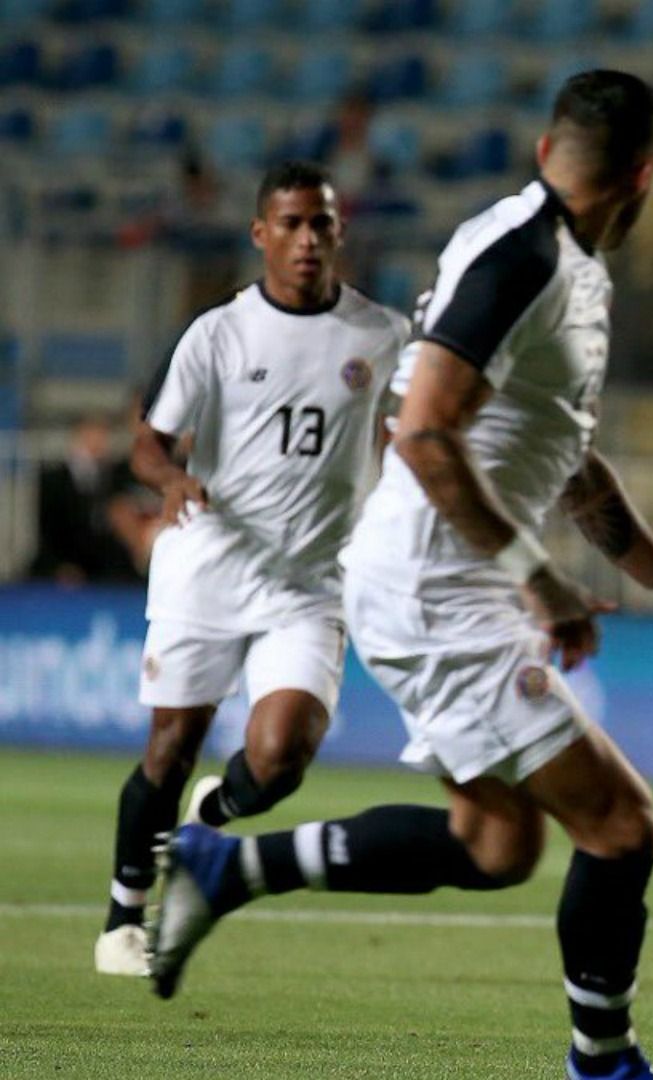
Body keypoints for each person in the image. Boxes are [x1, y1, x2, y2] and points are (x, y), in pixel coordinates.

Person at [145, 72, 653, 1080]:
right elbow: (423, 433)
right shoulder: (522, 258)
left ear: (545, 150)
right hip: (440, 591)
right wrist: (537, 578)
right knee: (621, 828)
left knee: (495, 846)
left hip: (446, 585)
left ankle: (229, 863)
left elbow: (567, 464)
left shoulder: (565, 263)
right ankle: (605, 1065)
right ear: (648, 176)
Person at [92, 161, 411, 977]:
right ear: (261, 234)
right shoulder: (219, 333)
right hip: (210, 567)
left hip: (308, 584)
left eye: (322, 225)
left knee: (281, 756)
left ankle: (216, 811)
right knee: (170, 744)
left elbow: (415, 433)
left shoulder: (381, 335)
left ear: (340, 234)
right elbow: (149, 440)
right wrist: (172, 481)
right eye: (293, 224)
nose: (308, 239)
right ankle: (123, 921)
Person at [31, 413, 144, 585]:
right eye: (93, 433)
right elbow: (47, 527)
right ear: (78, 435)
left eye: (103, 434)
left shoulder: (117, 475)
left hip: (110, 570)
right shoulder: (53, 479)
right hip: (64, 565)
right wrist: (60, 565)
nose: (99, 440)